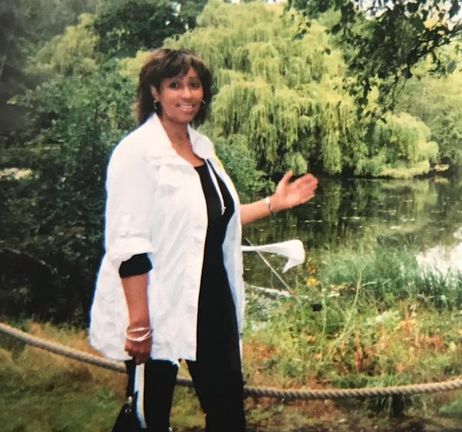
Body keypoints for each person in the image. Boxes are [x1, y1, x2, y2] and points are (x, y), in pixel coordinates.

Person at [88, 48, 318, 431]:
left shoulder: (203, 150)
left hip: (211, 299)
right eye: (175, 85)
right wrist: (139, 325)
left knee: (228, 411)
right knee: (149, 416)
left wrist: (274, 204)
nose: (187, 94)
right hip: (158, 301)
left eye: (194, 85)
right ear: (155, 92)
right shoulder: (137, 153)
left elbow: (213, 222)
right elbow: (129, 244)